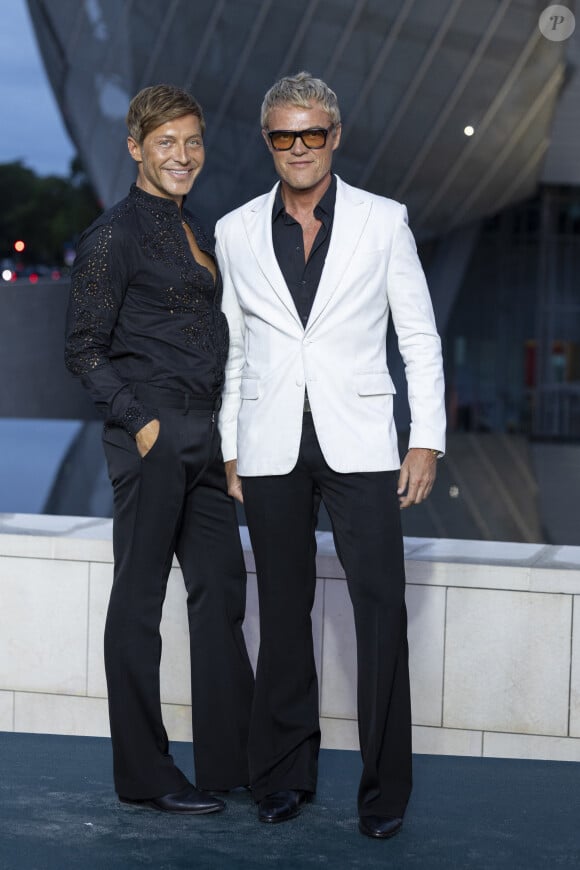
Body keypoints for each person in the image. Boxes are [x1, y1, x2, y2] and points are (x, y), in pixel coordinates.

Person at [215, 72, 445, 839]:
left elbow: (417, 337)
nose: (300, 148)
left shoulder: (385, 221)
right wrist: (229, 449)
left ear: (335, 136)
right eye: (285, 135)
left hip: (364, 443)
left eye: (314, 133)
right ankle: (282, 775)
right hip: (270, 444)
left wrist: (425, 438)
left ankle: (386, 795)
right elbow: (237, 352)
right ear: (269, 142)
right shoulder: (236, 229)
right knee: (282, 615)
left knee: (380, 611)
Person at [65, 84, 254, 815]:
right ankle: (145, 776)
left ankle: (227, 762)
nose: (183, 155)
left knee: (221, 593)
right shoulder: (112, 235)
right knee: (140, 605)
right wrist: (142, 424)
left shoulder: (194, 227)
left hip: (204, 436)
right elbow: (82, 350)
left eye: (193, 141)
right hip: (152, 435)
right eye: (167, 142)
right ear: (136, 147)